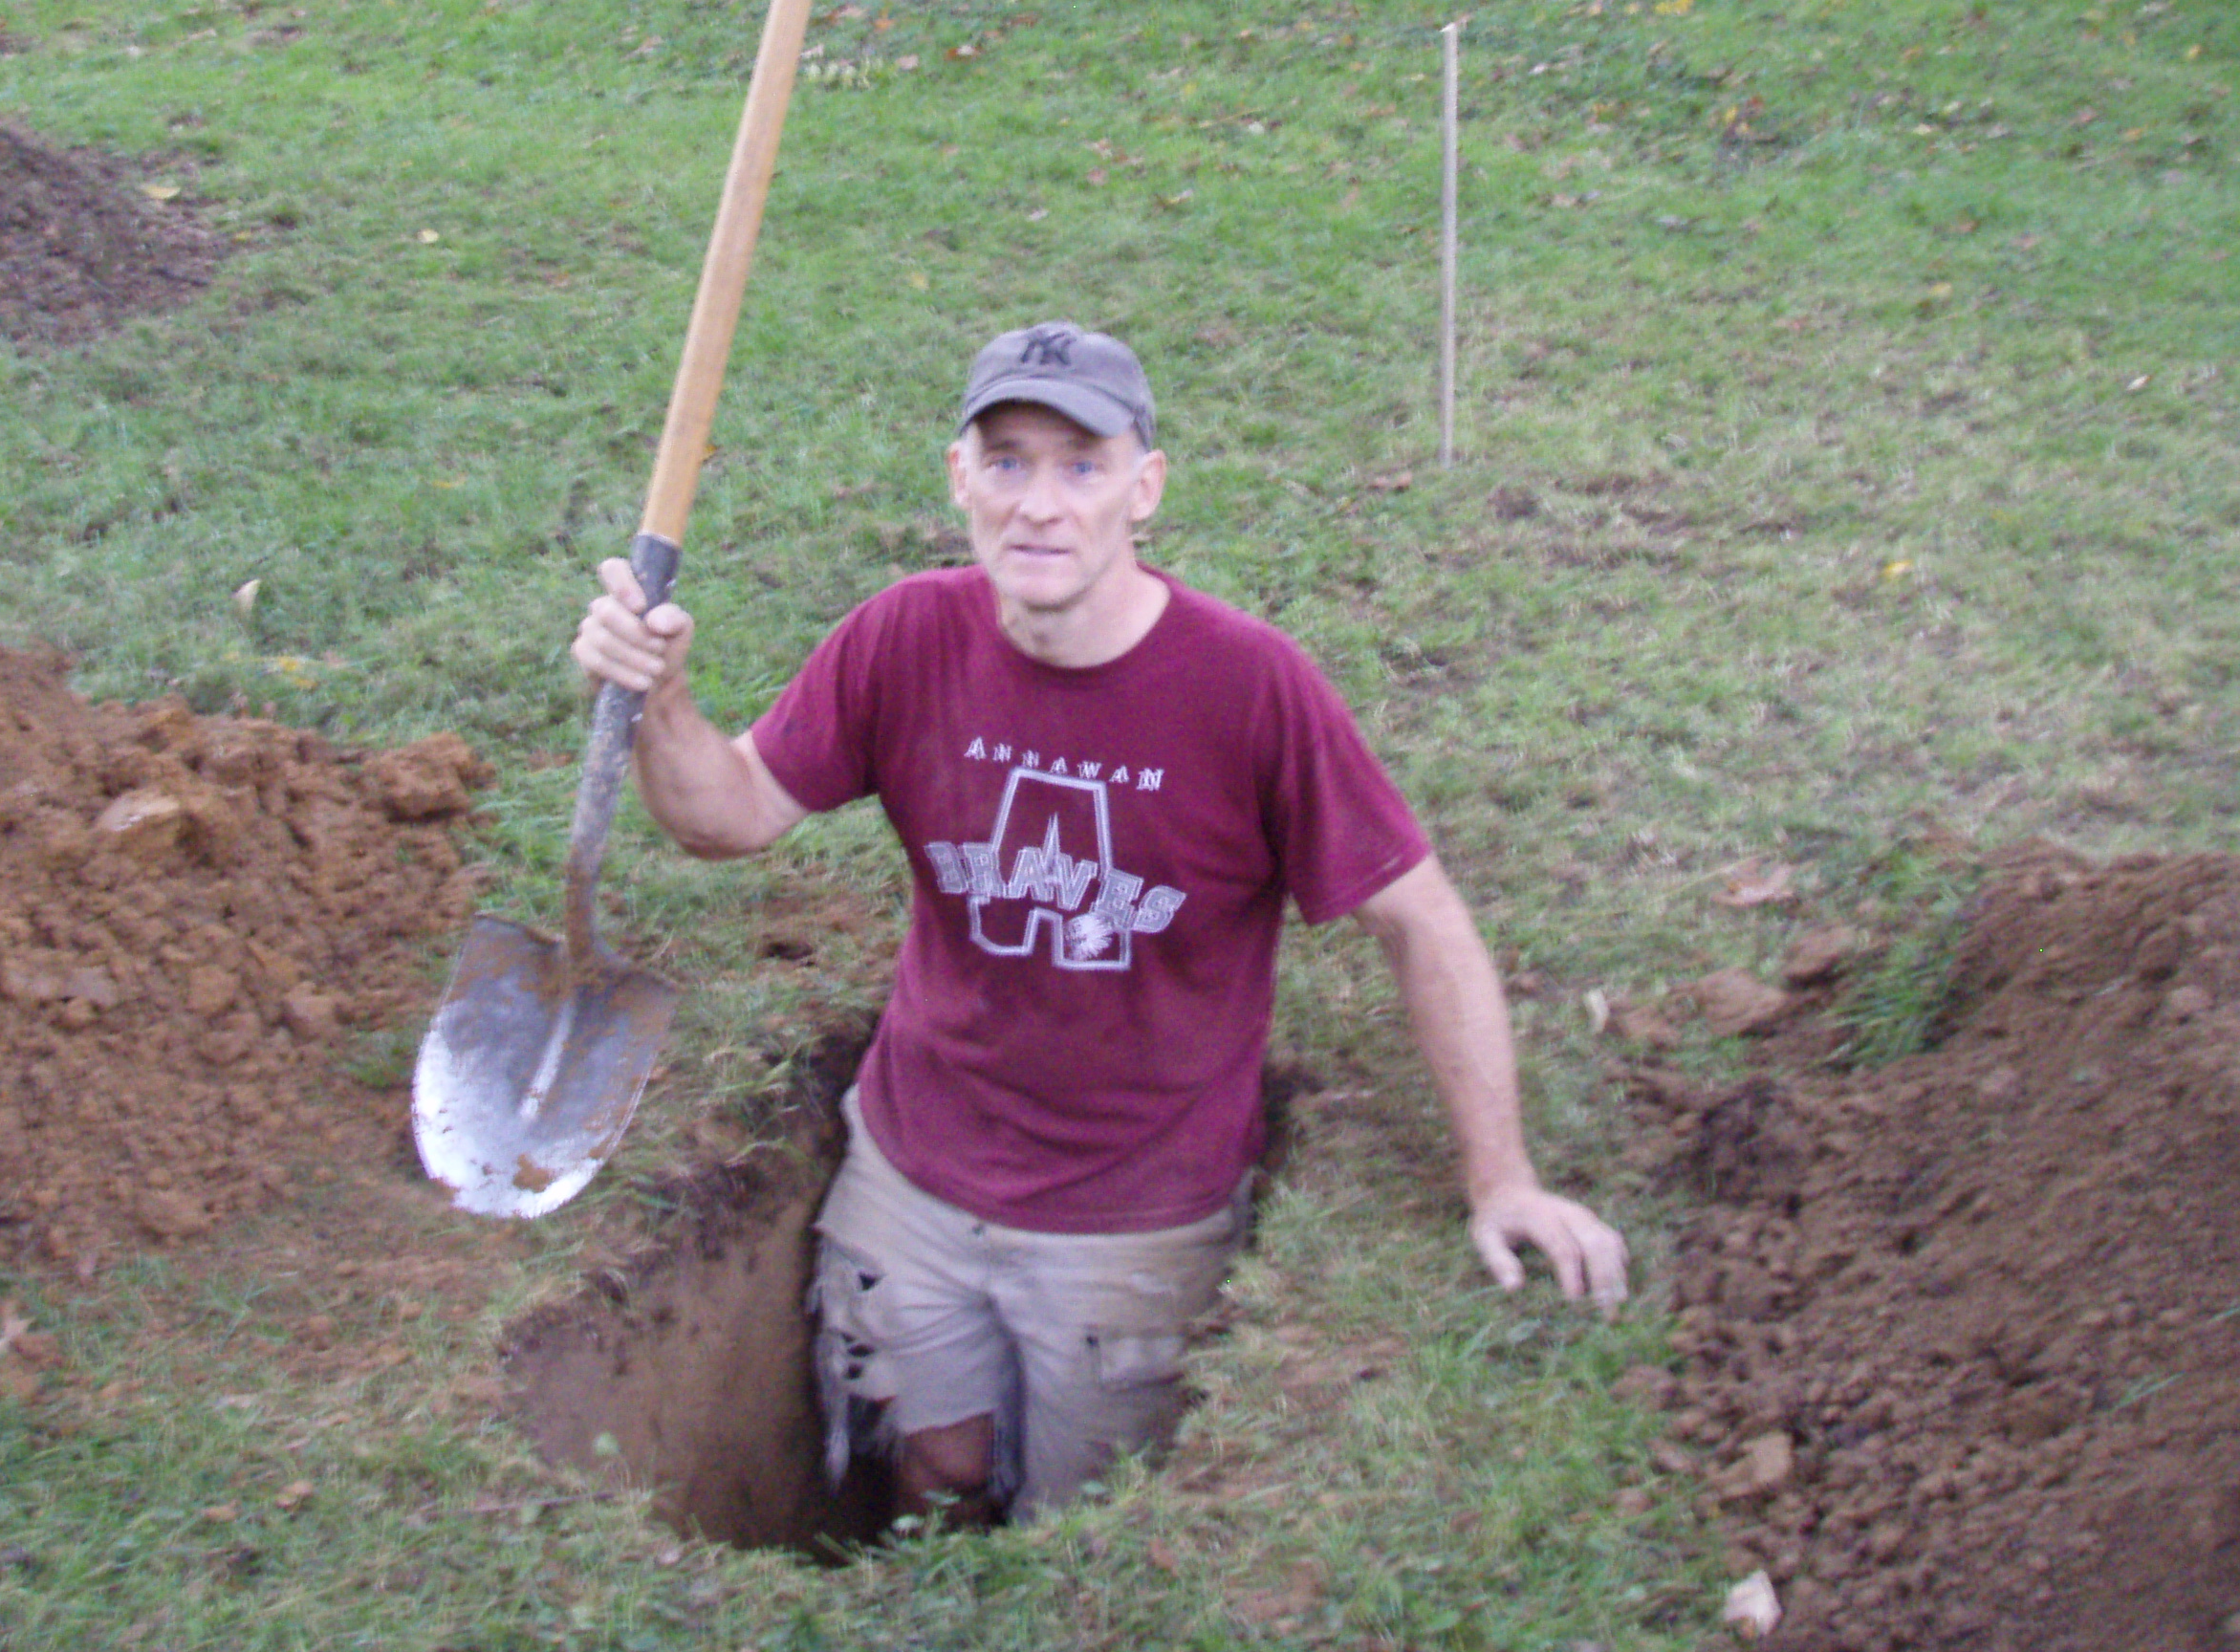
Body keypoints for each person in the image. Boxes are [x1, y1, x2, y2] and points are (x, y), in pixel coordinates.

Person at [571, 320, 1627, 1526]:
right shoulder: (906, 635)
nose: (1041, 503)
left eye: (1082, 464)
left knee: (1087, 1525)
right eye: (1008, 460)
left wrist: (1504, 1180)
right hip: (914, 1171)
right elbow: (731, 814)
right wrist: (659, 703)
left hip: (1136, 1218)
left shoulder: (1248, 688)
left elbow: (1422, 919)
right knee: (931, 1475)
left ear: (1146, 488)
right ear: (959, 477)